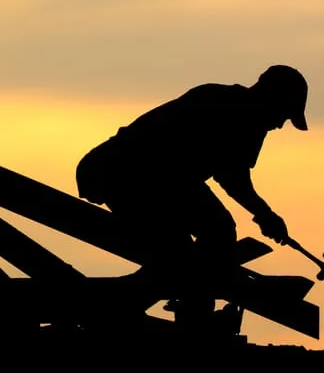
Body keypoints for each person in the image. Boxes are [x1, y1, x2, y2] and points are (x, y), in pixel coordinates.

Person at [75, 65, 308, 321]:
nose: (280, 124)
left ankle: (175, 308)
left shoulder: (235, 107)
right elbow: (232, 177)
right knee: (212, 232)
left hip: (142, 176)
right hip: (125, 173)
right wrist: (266, 215)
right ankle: (190, 315)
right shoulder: (236, 112)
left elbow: (230, 176)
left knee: (185, 249)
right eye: (284, 115)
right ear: (273, 99)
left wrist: (265, 215)